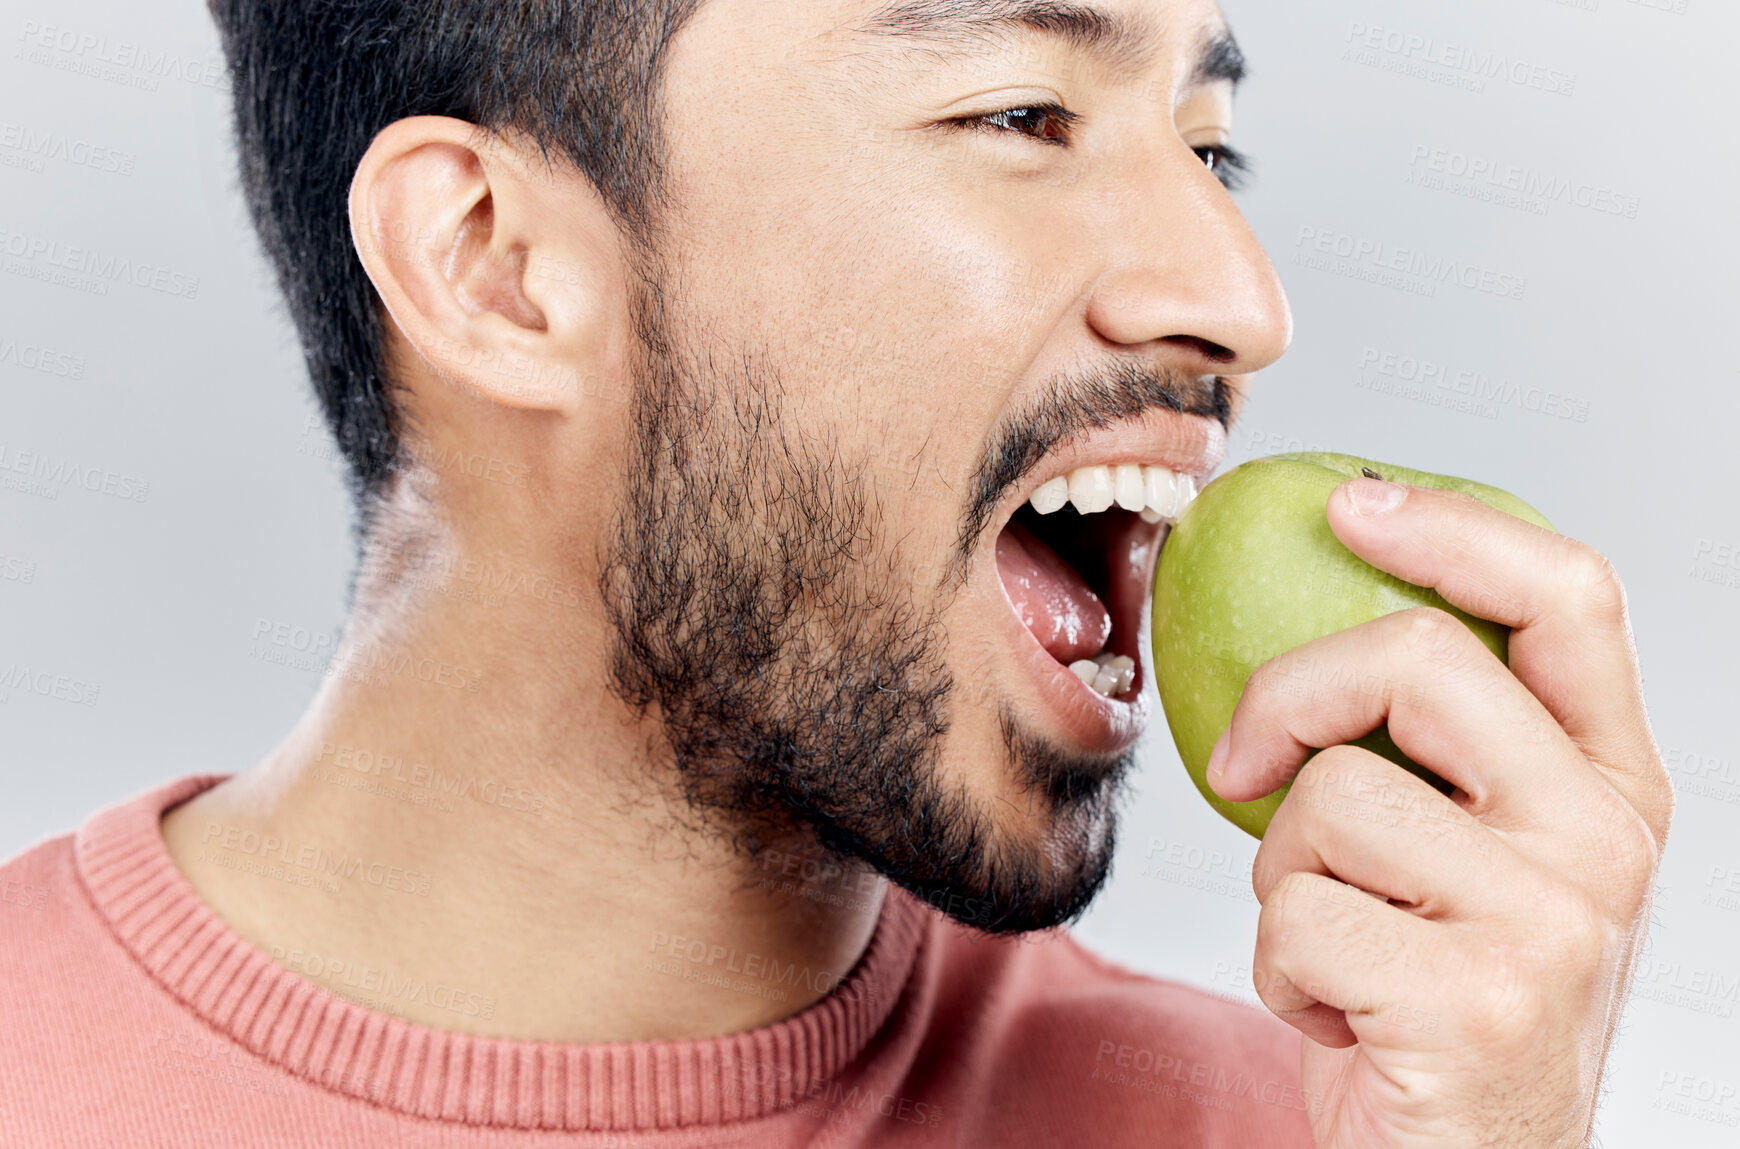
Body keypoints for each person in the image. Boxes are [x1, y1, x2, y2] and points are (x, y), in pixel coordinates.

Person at [0, 1, 1671, 1145]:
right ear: (494, 268)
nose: (1240, 299)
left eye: (1208, 146)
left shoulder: (1317, 1125)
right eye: (1025, 112)